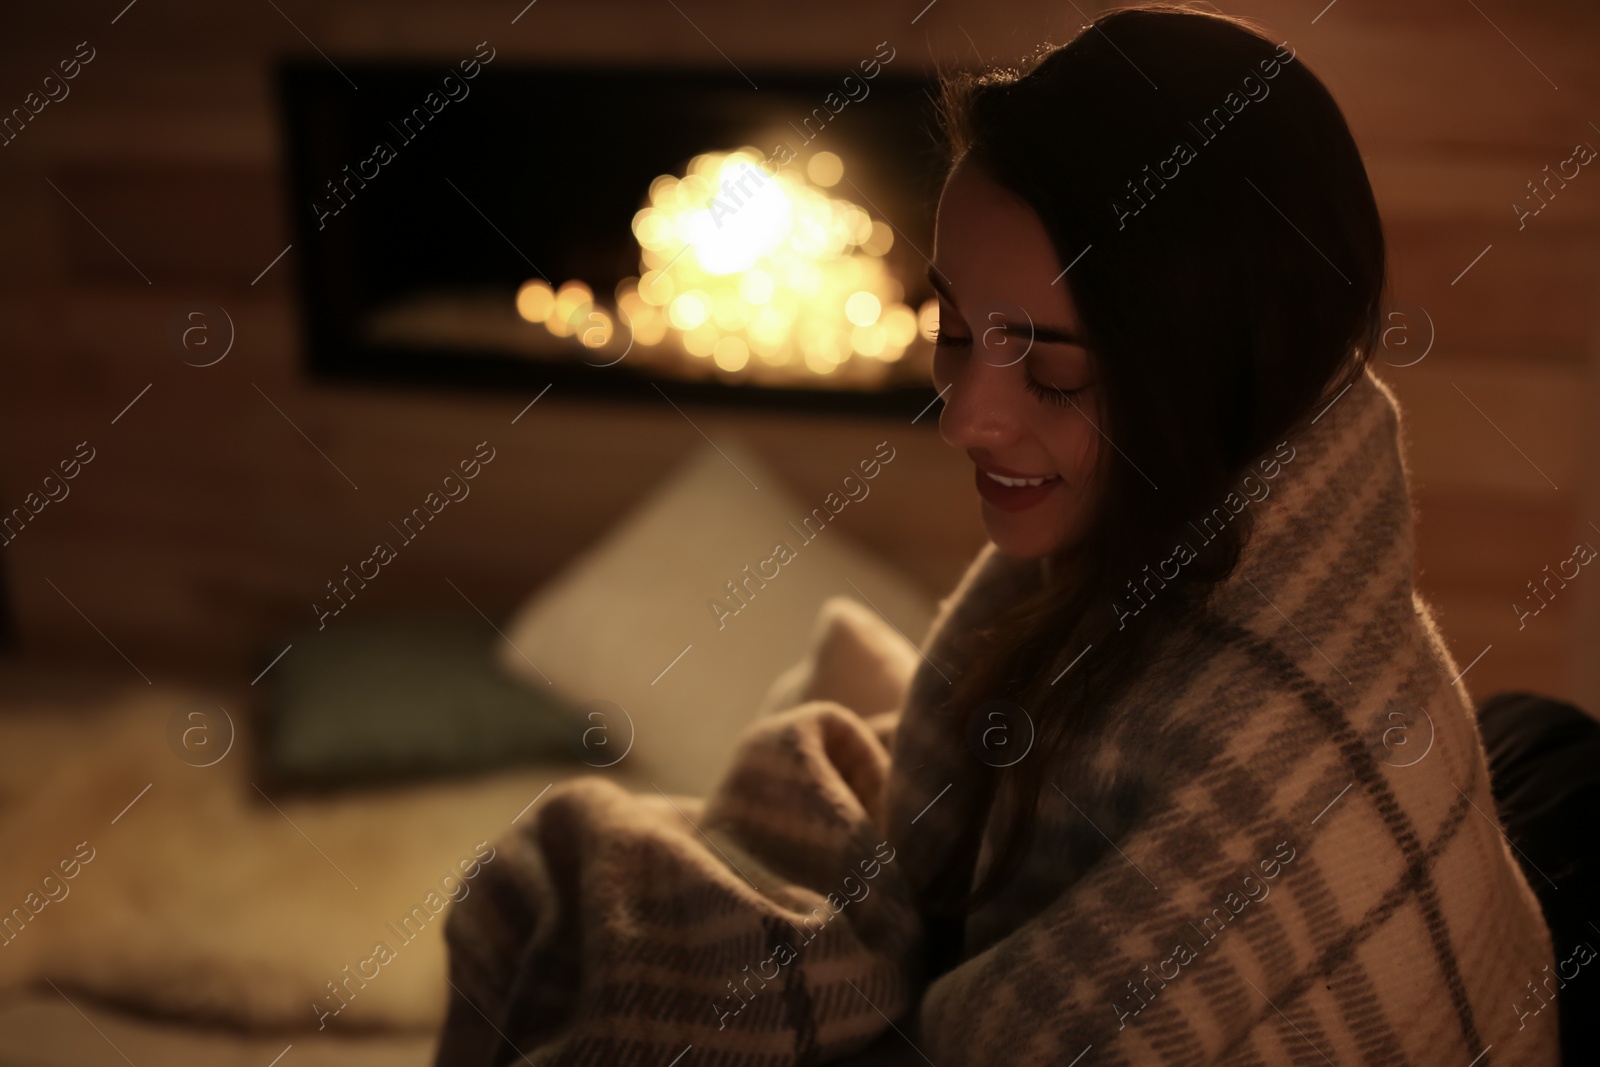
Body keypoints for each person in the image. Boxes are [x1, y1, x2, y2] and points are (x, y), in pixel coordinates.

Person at [433, 5, 1562, 1063]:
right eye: (954, 326)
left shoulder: (1290, 772)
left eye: (1053, 363)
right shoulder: (1126, 556)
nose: (966, 414)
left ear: (1222, 362)